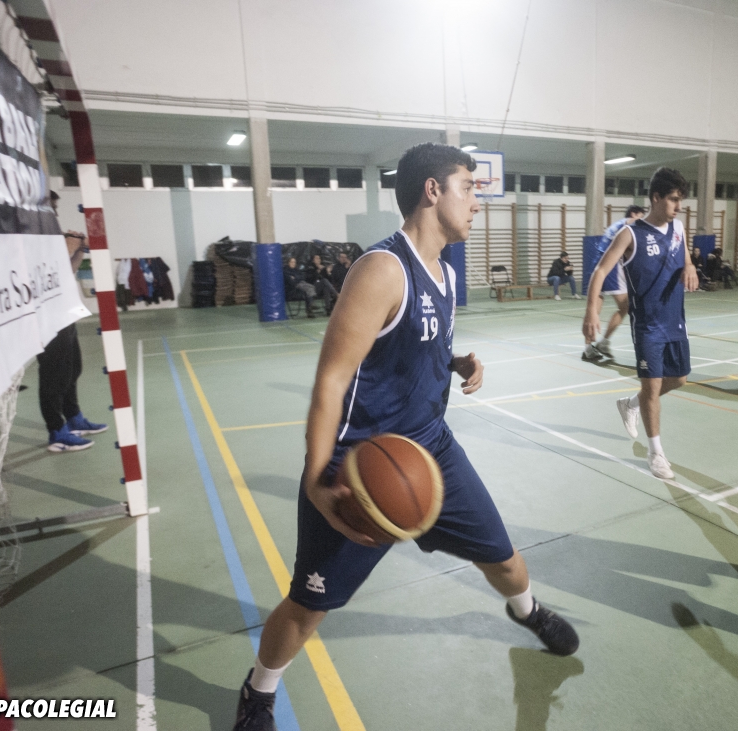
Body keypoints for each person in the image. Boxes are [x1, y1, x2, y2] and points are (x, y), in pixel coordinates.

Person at [232, 143, 579, 731]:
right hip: (361, 465)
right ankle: (258, 692)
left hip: (431, 450)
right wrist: (317, 479)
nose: (478, 202)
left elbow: (413, 341)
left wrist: (454, 360)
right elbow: (332, 379)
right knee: (310, 605)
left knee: (506, 560)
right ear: (432, 191)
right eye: (468, 187)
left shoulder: (446, 272)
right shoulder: (382, 269)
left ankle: (528, 611)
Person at [583, 169, 698, 479]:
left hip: (675, 321)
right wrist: (591, 311)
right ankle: (656, 453)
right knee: (653, 386)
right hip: (647, 324)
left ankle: (631, 404)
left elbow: (685, 256)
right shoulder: (630, 234)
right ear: (656, 198)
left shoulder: (678, 228)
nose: (678, 206)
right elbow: (600, 271)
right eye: (673, 199)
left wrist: (689, 267)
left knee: (680, 379)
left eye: (681, 200)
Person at [39, 191, 107, 453]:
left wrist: (77, 250)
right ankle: (57, 432)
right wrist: (67, 247)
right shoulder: (32, 238)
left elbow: (67, 272)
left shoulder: (51, 235)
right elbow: (46, 274)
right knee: (53, 375)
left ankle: (74, 418)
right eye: (52, 207)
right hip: (45, 317)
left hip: (64, 312)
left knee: (72, 369)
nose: (55, 213)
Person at [583, 205, 645, 362]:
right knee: (626, 306)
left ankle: (588, 349)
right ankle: (603, 343)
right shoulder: (629, 222)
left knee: (594, 311)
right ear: (633, 214)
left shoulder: (617, 225)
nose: (642, 220)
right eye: (641, 216)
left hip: (597, 263)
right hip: (609, 267)